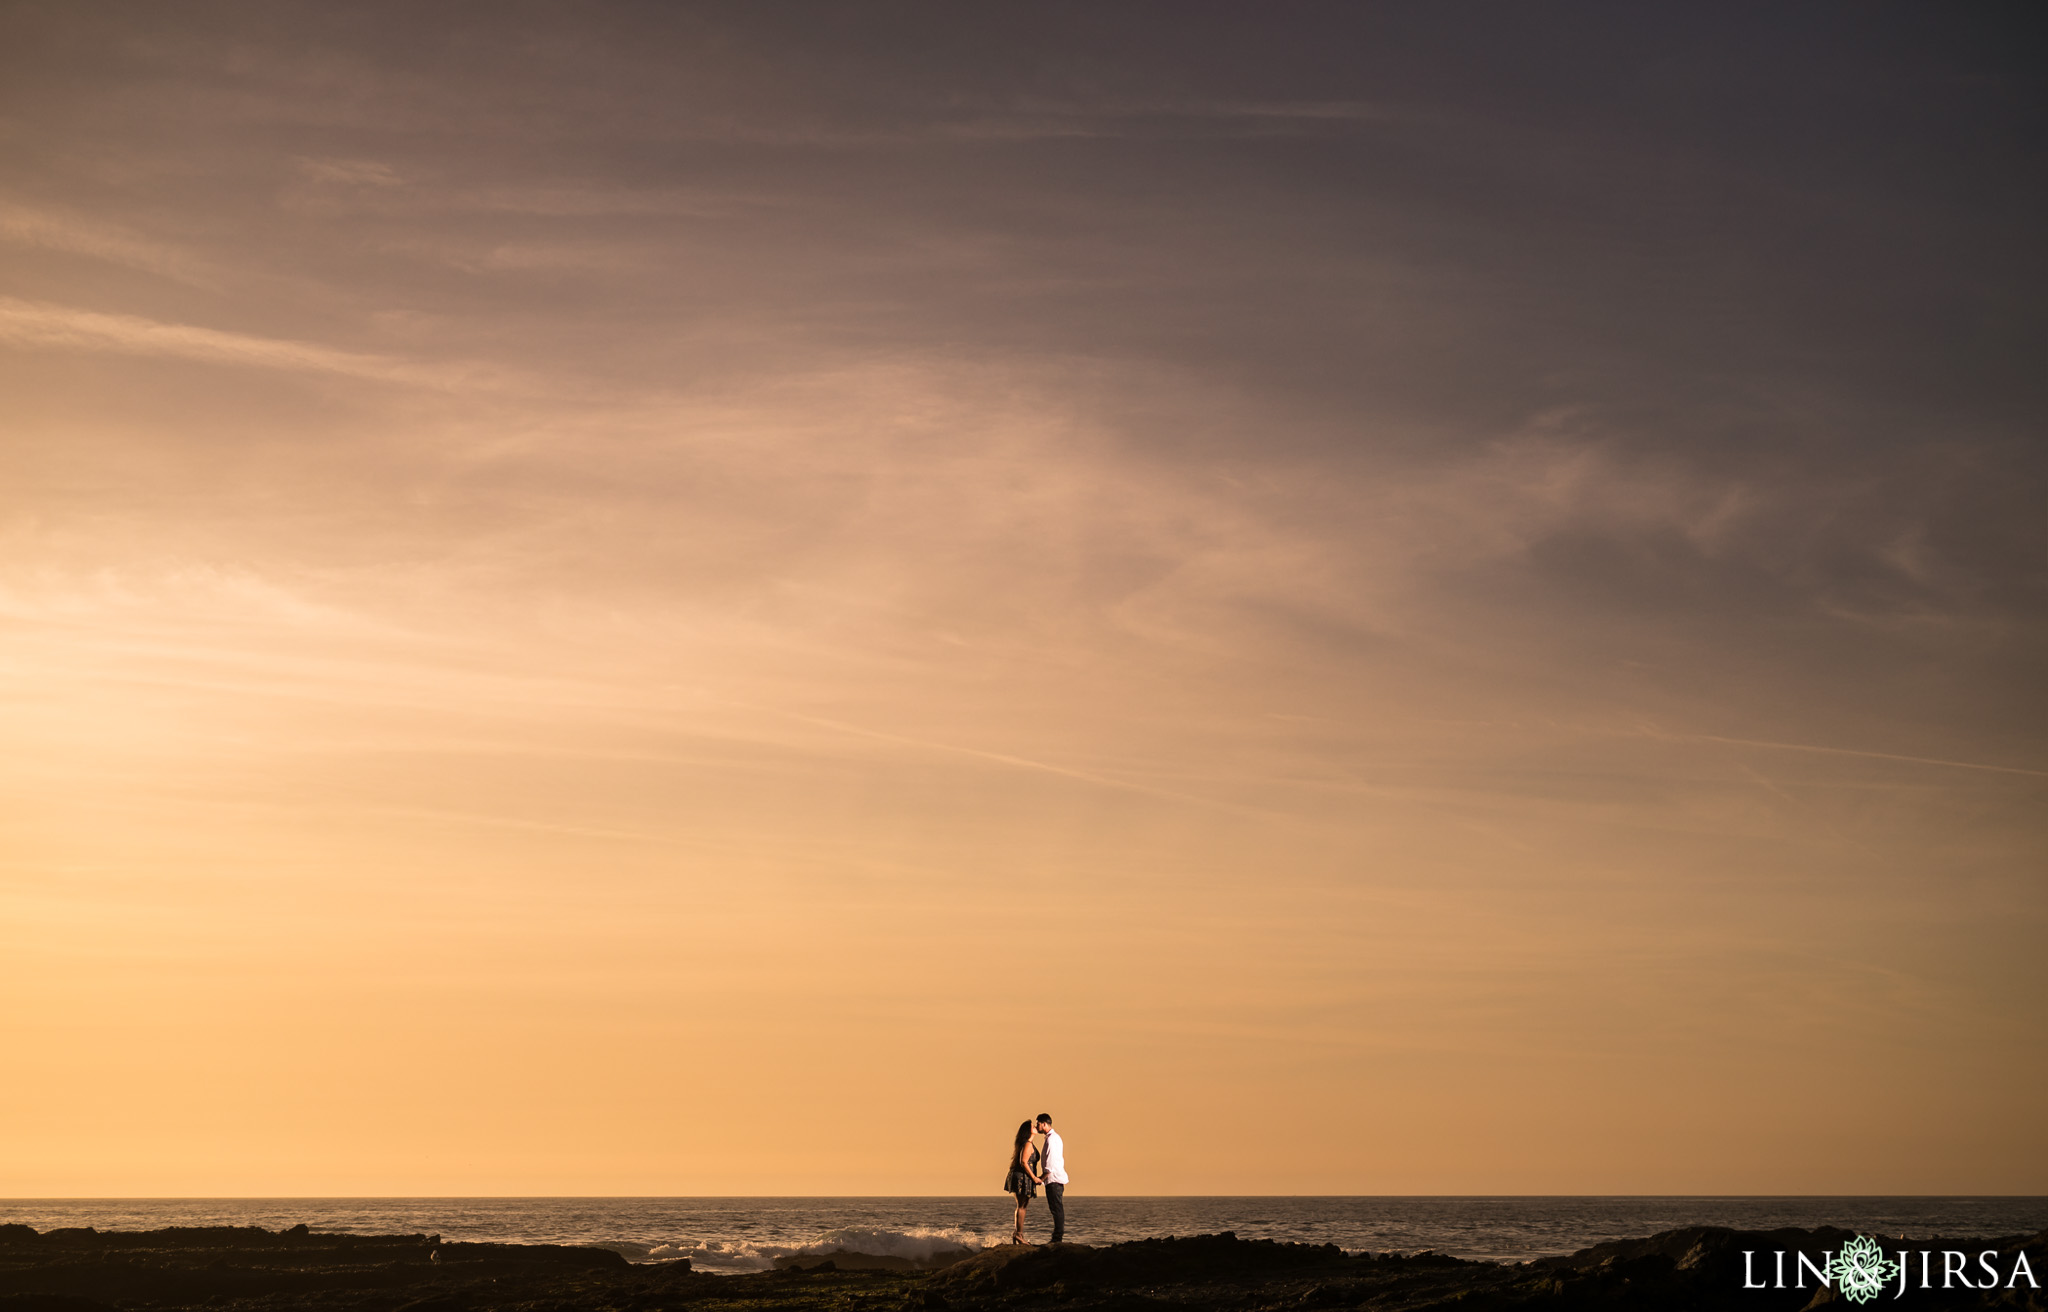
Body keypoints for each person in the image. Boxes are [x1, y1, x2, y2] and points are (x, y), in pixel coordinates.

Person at [1002, 1118, 1043, 1244]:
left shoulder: (1027, 1143)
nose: (1035, 1126)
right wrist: (1034, 1177)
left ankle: (1017, 1234)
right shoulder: (1027, 1144)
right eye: (1032, 1126)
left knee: (1023, 1206)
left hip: (1023, 1176)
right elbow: (1024, 1162)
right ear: (1028, 1131)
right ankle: (1018, 1234)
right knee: (1021, 1206)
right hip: (1022, 1176)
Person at [1035, 1113, 1068, 1243]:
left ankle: (1057, 1238)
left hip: (1054, 1179)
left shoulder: (1052, 1139)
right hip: (1053, 1179)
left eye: (1038, 1123)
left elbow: (1051, 1161)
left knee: (1056, 1209)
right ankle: (1057, 1237)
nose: (1037, 1126)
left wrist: (1042, 1178)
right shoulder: (1052, 1138)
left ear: (1044, 1124)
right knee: (1056, 1208)